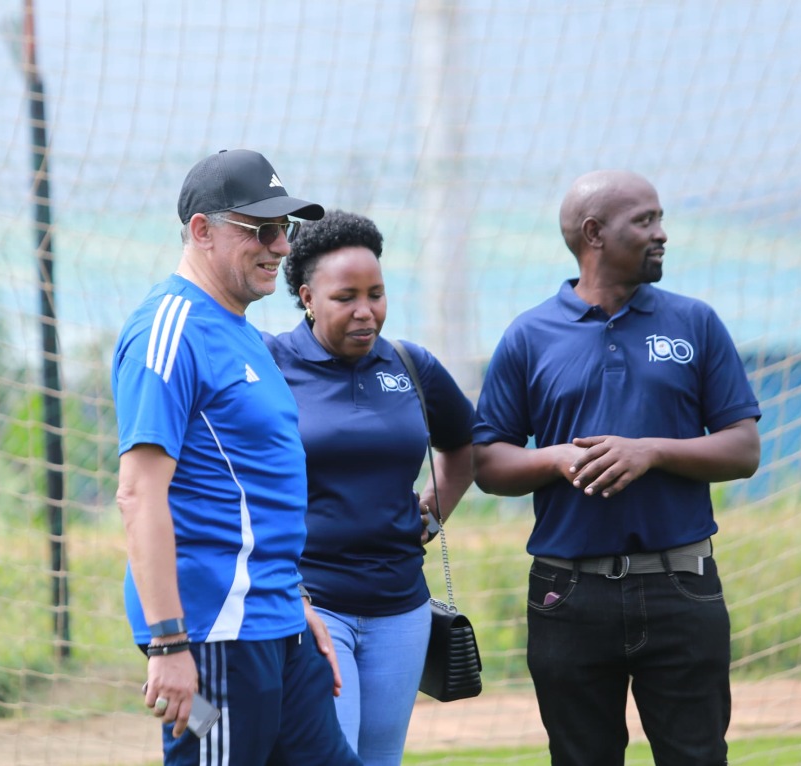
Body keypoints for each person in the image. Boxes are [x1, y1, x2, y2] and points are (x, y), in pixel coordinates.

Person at [472, 170, 762, 766]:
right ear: (594, 233)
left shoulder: (695, 323)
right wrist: (555, 458)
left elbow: (743, 449)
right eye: (645, 220)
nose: (662, 234)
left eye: (660, 218)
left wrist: (650, 450)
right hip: (567, 595)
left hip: (682, 586)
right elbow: (489, 464)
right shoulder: (528, 335)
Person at [111, 149, 362, 766]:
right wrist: (168, 645)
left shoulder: (244, 333)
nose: (281, 246)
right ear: (202, 230)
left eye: (285, 228)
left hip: (278, 625)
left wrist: (295, 601)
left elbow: (254, 489)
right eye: (262, 229)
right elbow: (138, 494)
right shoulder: (169, 330)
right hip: (212, 638)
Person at [263, 210, 475, 765]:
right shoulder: (271, 363)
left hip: (401, 608)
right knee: (331, 755)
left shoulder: (410, 364)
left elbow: (463, 446)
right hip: (312, 603)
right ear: (308, 298)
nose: (366, 311)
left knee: (381, 758)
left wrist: (432, 515)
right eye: (346, 297)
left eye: (376, 294)